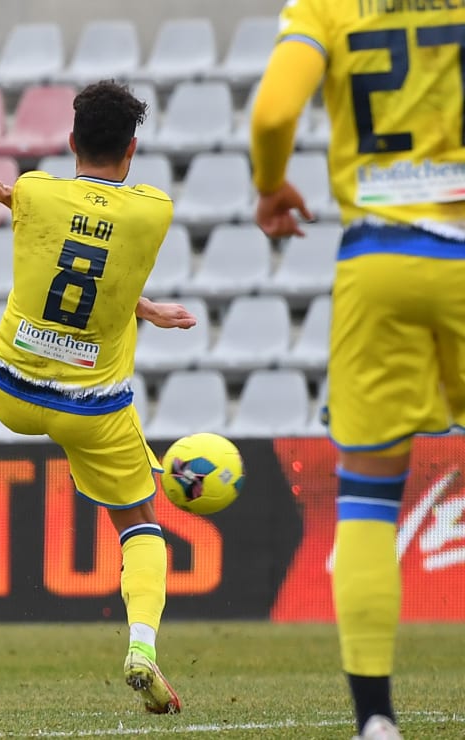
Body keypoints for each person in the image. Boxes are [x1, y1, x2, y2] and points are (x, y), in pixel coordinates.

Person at [251, 3, 465, 738]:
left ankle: (376, 722)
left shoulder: (328, 4)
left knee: (370, 499)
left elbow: (276, 111)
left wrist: (271, 184)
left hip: (380, 258)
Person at [0, 80, 196, 715]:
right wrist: (146, 309)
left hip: (10, 390)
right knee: (141, 526)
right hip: (92, 411)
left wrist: (2, 194)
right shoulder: (154, 209)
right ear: (133, 149)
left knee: (22, 319)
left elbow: (61, 233)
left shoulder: (35, 189)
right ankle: (142, 648)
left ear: (70, 141)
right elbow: (104, 258)